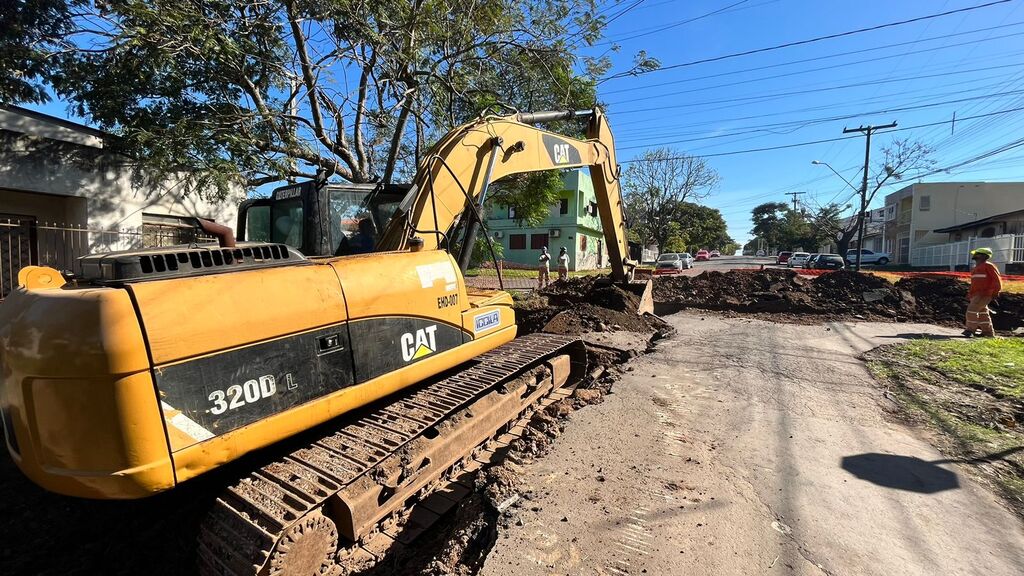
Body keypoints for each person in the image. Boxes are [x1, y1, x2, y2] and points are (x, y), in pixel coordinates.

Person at [963, 247, 1002, 338]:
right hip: (976, 295)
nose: (974, 255)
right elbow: (975, 283)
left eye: (977, 254)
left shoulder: (988, 266)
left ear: (984, 256)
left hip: (984, 294)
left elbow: (997, 280)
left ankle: (970, 330)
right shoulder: (976, 268)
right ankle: (988, 332)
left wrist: (996, 292)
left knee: (971, 311)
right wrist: (970, 294)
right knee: (982, 312)